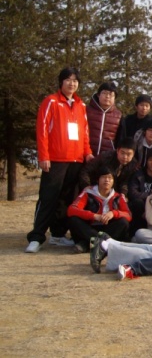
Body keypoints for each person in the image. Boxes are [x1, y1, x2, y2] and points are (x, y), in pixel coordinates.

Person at [26, 67, 94, 253]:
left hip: (76, 160)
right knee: (48, 197)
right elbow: (42, 129)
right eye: (68, 80)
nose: (72, 84)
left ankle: (57, 234)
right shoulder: (51, 101)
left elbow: (84, 133)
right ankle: (36, 237)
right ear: (61, 82)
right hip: (55, 159)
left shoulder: (81, 105)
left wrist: (87, 153)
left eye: (75, 81)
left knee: (66, 199)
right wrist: (43, 156)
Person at [67, 167, 131, 253]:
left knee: (123, 222)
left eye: (110, 178)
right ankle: (102, 244)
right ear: (98, 179)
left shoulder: (118, 197)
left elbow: (128, 215)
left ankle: (86, 244)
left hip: (108, 229)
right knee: (73, 219)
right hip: (89, 228)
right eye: (104, 177)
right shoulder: (88, 193)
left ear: (113, 181)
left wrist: (113, 213)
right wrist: (94, 216)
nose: (107, 180)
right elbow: (71, 209)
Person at [127, 147, 152, 236]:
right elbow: (133, 193)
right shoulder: (138, 174)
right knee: (137, 203)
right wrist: (150, 195)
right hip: (141, 207)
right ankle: (134, 234)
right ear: (146, 161)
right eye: (151, 160)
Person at [86, 81, 124, 156]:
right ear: (98, 95)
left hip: (107, 157)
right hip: (87, 155)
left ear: (115, 98)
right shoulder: (86, 111)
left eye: (111, 95)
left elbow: (120, 139)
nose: (107, 97)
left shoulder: (118, 115)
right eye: (104, 93)